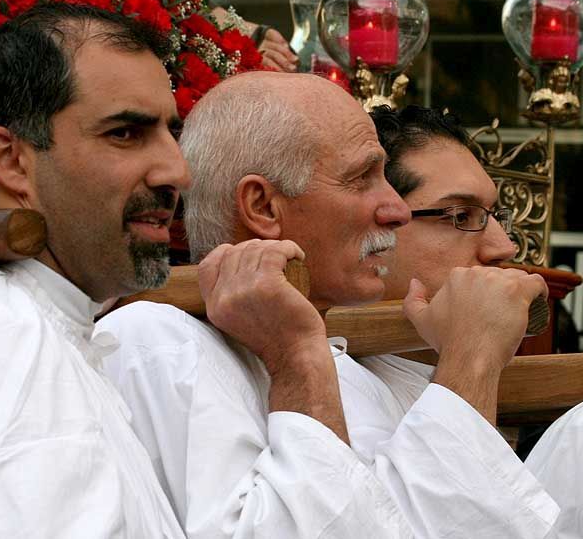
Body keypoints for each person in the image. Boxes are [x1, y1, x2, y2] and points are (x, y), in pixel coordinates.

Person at [98, 72, 559, 538]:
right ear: (263, 208)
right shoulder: (158, 341)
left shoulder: (358, 368)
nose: (396, 211)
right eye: (362, 179)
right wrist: (469, 362)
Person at [0, 3, 190, 537]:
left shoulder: (36, 319)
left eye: (170, 132)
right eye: (125, 133)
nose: (176, 171)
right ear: (10, 160)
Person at [370, 104, 583, 539]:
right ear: (372, 227)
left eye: (495, 217)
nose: (503, 248)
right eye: (460, 216)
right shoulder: (331, 388)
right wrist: (472, 357)